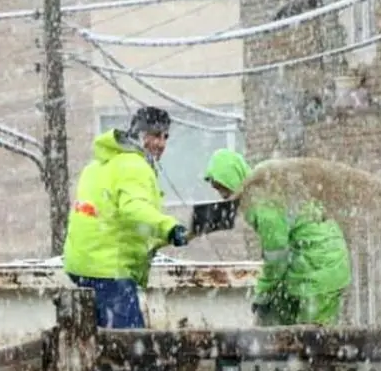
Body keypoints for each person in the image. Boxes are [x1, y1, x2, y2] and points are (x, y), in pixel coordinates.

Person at [62, 106, 189, 328]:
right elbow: (133, 208)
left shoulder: (100, 164)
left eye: (165, 137)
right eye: (155, 135)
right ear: (139, 134)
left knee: (104, 344)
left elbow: (115, 221)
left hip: (81, 266)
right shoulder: (134, 165)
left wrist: (167, 237)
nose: (161, 144)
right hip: (109, 269)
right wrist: (169, 227)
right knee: (130, 349)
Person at [203, 149, 351, 326]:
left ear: (234, 178)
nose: (222, 195)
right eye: (218, 190)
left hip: (322, 267)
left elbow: (277, 258)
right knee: (291, 328)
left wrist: (263, 292)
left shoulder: (262, 204)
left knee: (313, 338)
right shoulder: (262, 188)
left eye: (223, 188)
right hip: (311, 263)